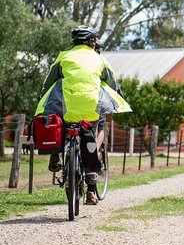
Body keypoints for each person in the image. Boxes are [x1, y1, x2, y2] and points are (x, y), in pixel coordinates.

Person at [35, 25, 131, 205]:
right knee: (91, 136)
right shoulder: (99, 59)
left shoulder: (64, 56)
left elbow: (49, 82)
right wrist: (119, 96)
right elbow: (112, 83)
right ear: (92, 41)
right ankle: (91, 186)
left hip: (66, 107)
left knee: (61, 125)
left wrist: (41, 97)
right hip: (90, 108)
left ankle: (55, 152)